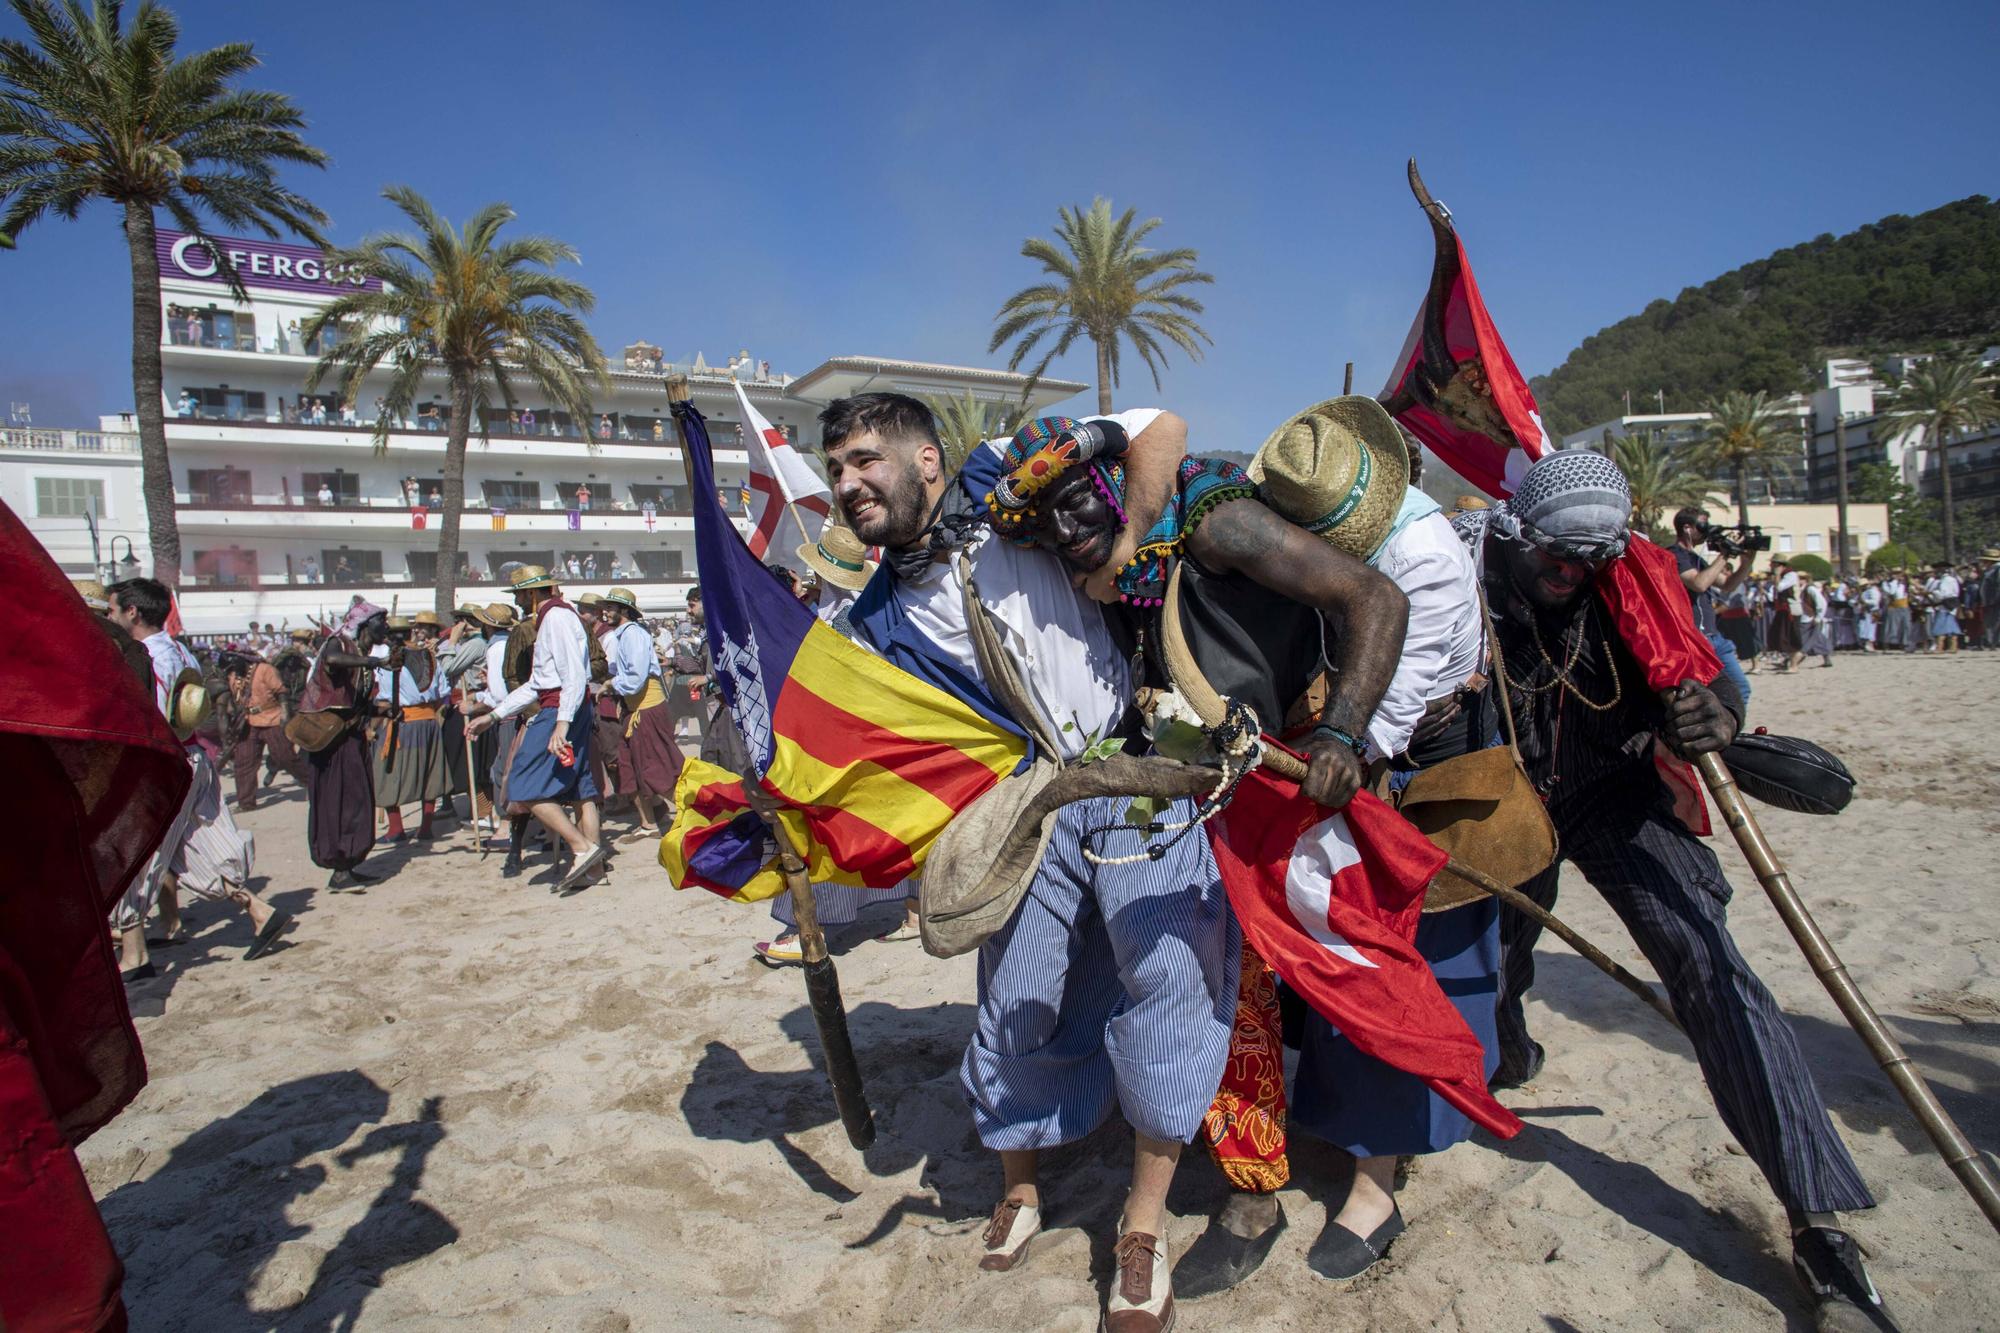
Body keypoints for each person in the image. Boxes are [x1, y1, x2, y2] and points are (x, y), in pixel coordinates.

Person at [981, 400, 1420, 1292]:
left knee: (1266, 983)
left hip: (1285, 780)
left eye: (1077, 499)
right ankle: (1243, 1173)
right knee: (1218, 981)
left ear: (1116, 480)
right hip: (1192, 784)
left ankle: (1260, 1195)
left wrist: (1341, 735)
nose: (1064, 530)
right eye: (1044, 517)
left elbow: (1375, 598)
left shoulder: (1216, 521)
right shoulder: (1119, 563)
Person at [1454, 450, 1888, 1331]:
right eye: (1555, 560)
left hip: (1616, 795)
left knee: (1709, 961)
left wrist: (1713, 712)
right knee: (1493, 969)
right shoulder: (1462, 570)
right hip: (1503, 801)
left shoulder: (1636, 579)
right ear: (1517, 534)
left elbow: (1708, 666)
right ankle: (1507, 1051)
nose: (1570, 578)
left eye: (1589, 563)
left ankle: (1818, 1220)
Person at [827, 393, 1220, 1332]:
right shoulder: (872, 618)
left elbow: (1160, 425)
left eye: (865, 461)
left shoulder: (1001, 469)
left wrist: (1122, 544)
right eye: (836, 468)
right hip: (1020, 803)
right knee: (1016, 998)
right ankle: (1024, 1187)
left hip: (1134, 765)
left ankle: (1142, 1222)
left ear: (927, 461)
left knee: (1168, 980)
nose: (847, 484)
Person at [104, 578, 289, 976]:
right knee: (194, 846)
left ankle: (135, 955)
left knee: (136, 853)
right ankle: (258, 910)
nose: (109, 616)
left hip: (163, 763)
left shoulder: (141, 657)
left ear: (132, 612)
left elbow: (149, 715)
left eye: (112, 609)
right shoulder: (180, 649)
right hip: (192, 758)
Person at [466, 566, 607, 893]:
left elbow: (570, 675)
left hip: (561, 707)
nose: (516, 600)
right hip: (567, 704)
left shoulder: (555, 618)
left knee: (522, 784)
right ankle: (594, 865)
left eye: (517, 593)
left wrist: (561, 722)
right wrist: (495, 713)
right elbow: (538, 682)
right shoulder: (556, 617)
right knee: (580, 788)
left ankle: (582, 848)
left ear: (531, 594)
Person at [302, 601, 389, 891]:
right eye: (382, 622)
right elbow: (333, 661)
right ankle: (339, 868)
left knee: (357, 800)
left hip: (352, 738)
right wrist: (373, 662)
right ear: (366, 624)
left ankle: (349, 864)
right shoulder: (338, 643)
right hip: (332, 743)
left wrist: (384, 712)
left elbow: (359, 705)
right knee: (338, 802)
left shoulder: (362, 656)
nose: (386, 628)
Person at [601, 586, 684, 841]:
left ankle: (690, 816)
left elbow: (636, 678)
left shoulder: (634, 635)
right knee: (629, 767)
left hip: (647, 709)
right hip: (633, 709)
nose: (605, 612)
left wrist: (612, 685)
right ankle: (648, 823)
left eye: (610, 608)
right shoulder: (620, 635)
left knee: (656, 767)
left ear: (624, 611)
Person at [370, 616, 453, 842]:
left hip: (403, 723)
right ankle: (425, 828)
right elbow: (442, 692)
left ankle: (396, 829)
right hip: (429, 723)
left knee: (386, 772)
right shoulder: (430, 657)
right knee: (429, 773)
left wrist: (372, 727)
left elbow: (385, 700)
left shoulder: (390, 663)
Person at [1671, 507, 1755, 711]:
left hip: (1715, 637)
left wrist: (1746, 562)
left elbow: (1727, 585)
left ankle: (1728, 733)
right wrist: (1725, 554)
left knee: (1741, 688)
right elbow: (1699, 583)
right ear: (1687, 528)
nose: (1707, 530)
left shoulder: (1696, 559)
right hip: (1696, 639)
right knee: (1703, 694)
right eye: (1703, 525)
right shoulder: (1673, 555)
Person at [223, 651, 311, 810]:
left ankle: (311, 783)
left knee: (285, 756)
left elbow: (281, 692)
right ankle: (246, 803)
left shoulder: (264, 669)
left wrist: (285, 715)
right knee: (244, 762)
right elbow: (233, 699)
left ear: (245, 661)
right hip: (248, 722)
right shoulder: (235, 676)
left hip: (272, 718)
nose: (234, 667)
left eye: (236, 663)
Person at [1769, 557, 1805, 672]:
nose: (1771, 566)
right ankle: (1792, 661)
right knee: (1782, 636)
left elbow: (1779, 587)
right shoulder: (1784, 575)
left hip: (1791, 609)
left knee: (1791, 636)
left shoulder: (1791, 575)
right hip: (1783, 609)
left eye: (1773, 564)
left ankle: (1795, 663)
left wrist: (1777, 575)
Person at [1924, 561, 1962, 653]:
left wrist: (1931, 593)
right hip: (1951, 604)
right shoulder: (1952, 579)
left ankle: (1940, 647)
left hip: (1945, 605)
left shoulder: (1945, 580)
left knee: (1940, 626)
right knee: (1951, 625)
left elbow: (1942, 594)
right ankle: (1953, 647)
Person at [1880, 570, 1913, 652]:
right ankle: (1888, 644)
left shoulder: (1905, 585)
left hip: (1904, 606)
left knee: (1906, 625)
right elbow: (1892, 592)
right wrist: (1894, 581)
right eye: (1895, 574)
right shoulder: (1887, 584)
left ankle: (1905, 643)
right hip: (1894, 606)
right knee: (1892, 626)